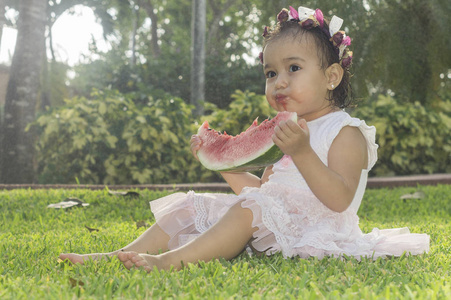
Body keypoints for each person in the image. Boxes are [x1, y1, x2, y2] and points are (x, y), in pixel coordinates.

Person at [60, 5, 430, 272]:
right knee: (193, 204)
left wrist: (301, 152)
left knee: (249, 209)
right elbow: (261, 193)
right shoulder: (287, 130)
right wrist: (223, 163)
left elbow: (338, 199)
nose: (279, 81)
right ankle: (118, 255)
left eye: (293, 68)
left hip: (317, 230)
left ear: (332, 76)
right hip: (268, 220)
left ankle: (166, 263)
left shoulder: (345, 131)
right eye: (271, 72)